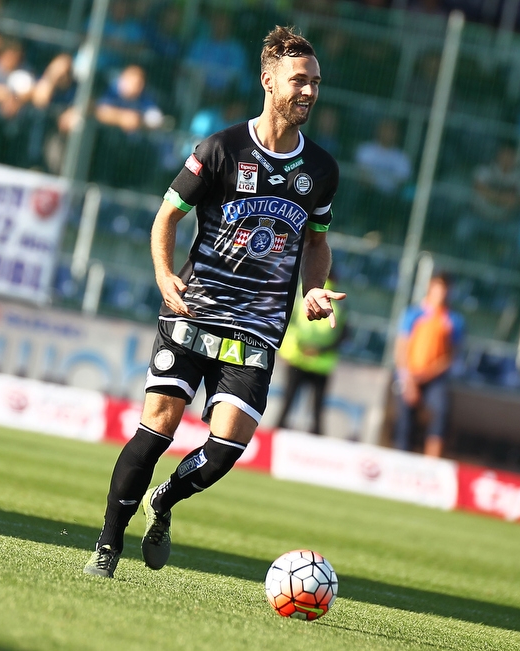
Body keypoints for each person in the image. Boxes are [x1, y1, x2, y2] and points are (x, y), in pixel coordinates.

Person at [85, 26, 343, 579]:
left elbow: (316, 244)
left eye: (316, 83)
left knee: (225, 449)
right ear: (267, 81)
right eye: (299, 80)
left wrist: (313, 288)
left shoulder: (321, 171)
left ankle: (164, 501)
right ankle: (107, 547)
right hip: (193, 311)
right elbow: (167, 217)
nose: (310, 92)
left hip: (258, 330)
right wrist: (162, 274)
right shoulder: (220, 148)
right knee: (158, 426)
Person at [393, 273, 463, 458]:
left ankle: (431, 463)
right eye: (438, 288)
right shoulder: (414, 314)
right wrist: (408, 380)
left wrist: (426, 375)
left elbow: (449, 356)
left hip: (434, 377)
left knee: (440, 413)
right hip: (409, 374)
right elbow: (401, 348)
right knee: (405, 421)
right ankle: (401, 461)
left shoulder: (453, 320)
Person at [276, 274, 347, 436]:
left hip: (297, 357)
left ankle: (272, 443)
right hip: (322, 363)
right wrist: (320, 350)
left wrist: (296, 348)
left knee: (286, 404)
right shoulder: (339, 303)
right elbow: (343, 335)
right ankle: (316, 446)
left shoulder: (302, 297)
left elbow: (289, 324)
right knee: (317, 410)